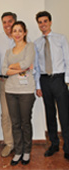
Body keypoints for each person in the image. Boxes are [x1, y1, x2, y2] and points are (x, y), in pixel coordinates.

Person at [34, 11, 69, 160]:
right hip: (45, 80)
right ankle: (54, 144)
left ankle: (67, 146)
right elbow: (36, 65)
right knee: (50, 114)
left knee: (64, 115)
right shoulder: (37, 43)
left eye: (45, 21)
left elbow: (68, 59)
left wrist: (66, 79)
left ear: (50, 22)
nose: (43, 24)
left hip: (59, 79)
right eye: (40, 22)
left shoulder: (60, 38)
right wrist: (38, 86)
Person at [2, 21, 36, 166]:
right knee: (15, 123)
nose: (16, 33)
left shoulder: (30, 46)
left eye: (19, 31)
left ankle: (27, 151)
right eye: (14, 31)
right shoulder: (8, 52)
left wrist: (14, 68)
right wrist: (21, 69)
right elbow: (4, 71)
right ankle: (18, 151)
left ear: (25, 32)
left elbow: (27, 62)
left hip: (26, 91)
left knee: (25, 122)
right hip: (10, 90)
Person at [0, 12, 17, 157]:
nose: (8, 25)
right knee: (6, 115)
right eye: (5, 22)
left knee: (20, 115)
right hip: (3, 82)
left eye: (10, 21)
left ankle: (20, 144)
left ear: (15, 22)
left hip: (20, 81)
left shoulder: (23, 38)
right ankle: (9, 143)